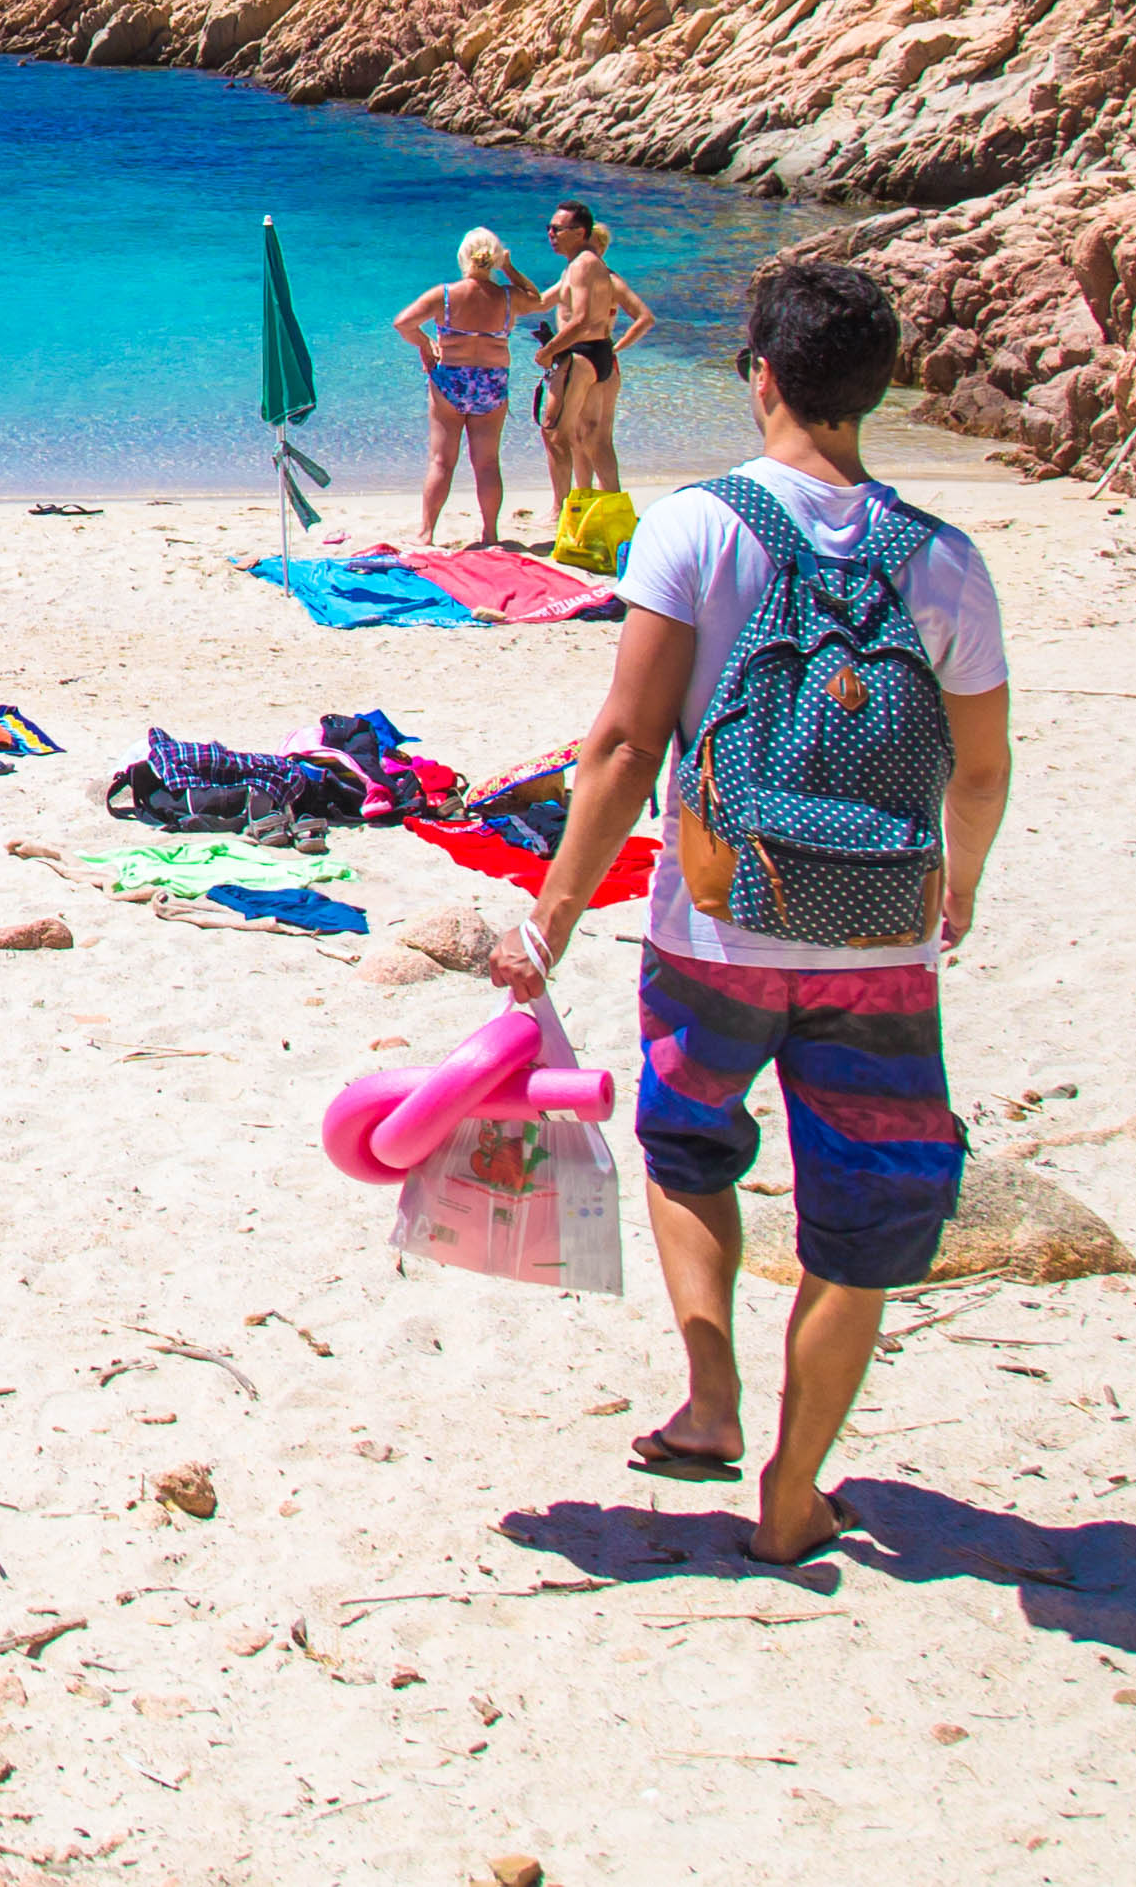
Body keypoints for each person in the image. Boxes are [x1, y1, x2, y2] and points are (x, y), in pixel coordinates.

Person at [492, 259, 1016, 1568]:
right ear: (877, 391)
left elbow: (622, 744)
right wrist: (957, 883)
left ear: (761, 379)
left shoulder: (695, 528)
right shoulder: (945, 563)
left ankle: (709, 1392)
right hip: (878, 936)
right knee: (865, 1217)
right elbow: (982, 765)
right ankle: (793, 1483)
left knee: (686, 1149)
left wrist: (551, 914)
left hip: (711, 930)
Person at [390, 230, 531, 546]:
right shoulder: (508, 296)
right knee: (487, 462)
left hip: (452, 381)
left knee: (442, 460)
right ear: (494, 257)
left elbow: (402, 323)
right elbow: (540, 300)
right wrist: (509, 270)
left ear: (462, 256)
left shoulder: (446, 295)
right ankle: (491, 534)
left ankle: (427, 533)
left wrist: (425, 342)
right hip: (492, 383)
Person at [533, 202, 658, 509]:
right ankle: (609, 505)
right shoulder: (590, 270)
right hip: (601, 354)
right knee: (593, 437)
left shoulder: (586, 267)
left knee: (557, 434)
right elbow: (538, 302)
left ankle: (562, 509)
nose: (551, 234)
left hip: (583, 354)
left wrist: (548, 351)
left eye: (557, 229)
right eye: (549, 228)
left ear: (582, 234)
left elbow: (584, 320)